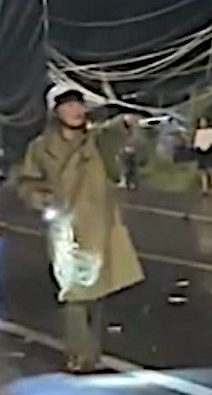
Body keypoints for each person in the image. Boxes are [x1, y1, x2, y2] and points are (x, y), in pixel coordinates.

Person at [15, 87, 145, 373]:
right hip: (65, 228)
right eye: (68, 105)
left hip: (99, 225)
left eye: (78, 105)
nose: (75, 111)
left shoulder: (96, 141)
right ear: (56, 112)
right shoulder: (40, 148)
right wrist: (43, 201)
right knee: (73, 292)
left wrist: (126, 122)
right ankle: (80, 354)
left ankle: (91, 353)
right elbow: (27, 183)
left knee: (96, 294)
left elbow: (115, 132)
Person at [191, 119, 212, 195]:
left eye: (204, 122)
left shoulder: (211, 131)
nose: (203, 123)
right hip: (200, 153)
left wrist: (208, 148)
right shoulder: (198, 132)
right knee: (202, 171)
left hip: (209, 152)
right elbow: (196, 143)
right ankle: (204, 188)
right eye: (201, 122)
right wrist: (199, 149)